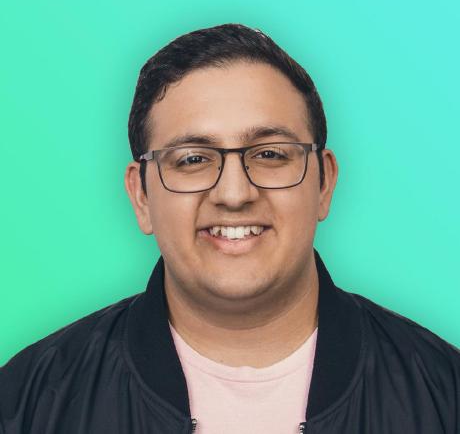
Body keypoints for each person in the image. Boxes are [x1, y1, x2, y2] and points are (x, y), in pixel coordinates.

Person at [1, 23, 459, 434]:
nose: (234, 193)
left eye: (270, 154)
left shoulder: (444, 394)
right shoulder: (27, 402)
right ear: (141, 196)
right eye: (192, 160)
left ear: (324, 183)